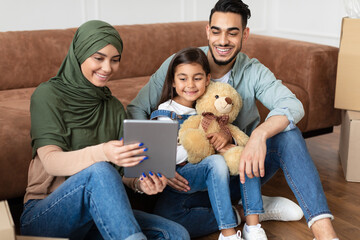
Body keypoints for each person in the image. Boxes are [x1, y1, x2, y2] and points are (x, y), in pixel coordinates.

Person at [127, 1, 339, 240]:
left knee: (288, 135)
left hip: (239, 171)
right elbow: (138, 108)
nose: (223, 41)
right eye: (216, 31)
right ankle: (249, 209)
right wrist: (158, 162)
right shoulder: (182, 64)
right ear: (207, 31)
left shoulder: (253, 71)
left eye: (233, 32)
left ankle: (325, 234)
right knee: (171, 222)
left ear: (245, 34)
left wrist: (259, 135)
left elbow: (292, 105)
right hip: (190, 179)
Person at [20, 20, 190, 240]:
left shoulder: (113, 107)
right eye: (98, 58)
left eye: (115, 60)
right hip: (45, 213)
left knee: (175, 234)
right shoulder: (47, 95)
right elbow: (52, 162)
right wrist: (102, 153)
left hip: (97, 214)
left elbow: (120, 174)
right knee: (99, 170)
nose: (108, 68)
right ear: (80, 54)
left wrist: (140, 183)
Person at [150, 47, 267, 240]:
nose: (190, 85)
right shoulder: (167, 111)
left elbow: (231, 133)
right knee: (216, 162)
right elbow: (168, 156)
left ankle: (252, 223)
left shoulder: (211, 105)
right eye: (183, 78)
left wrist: (229, 140)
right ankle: (234, 224)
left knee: (244, 153)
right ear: (172, 81)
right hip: (186, 176)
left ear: (207, 79)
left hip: (218, 178)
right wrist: (210, 147)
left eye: (197, 78)